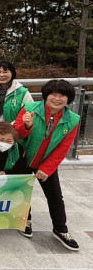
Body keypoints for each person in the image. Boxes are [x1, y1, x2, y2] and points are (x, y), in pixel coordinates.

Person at [13, 79, 81, 251]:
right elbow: (16, 135)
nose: (57, 99)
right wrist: (26, 125)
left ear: (68, 98)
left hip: (46, 161)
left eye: (62, 95)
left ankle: (60, 229)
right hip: (23, 158)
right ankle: (24, 220)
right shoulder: (29, 108)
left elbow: (63, 147)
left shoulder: (72, 119)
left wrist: (47, 168)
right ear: (46, 96)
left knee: (55, 196)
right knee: (23, 192)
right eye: (53, 94)